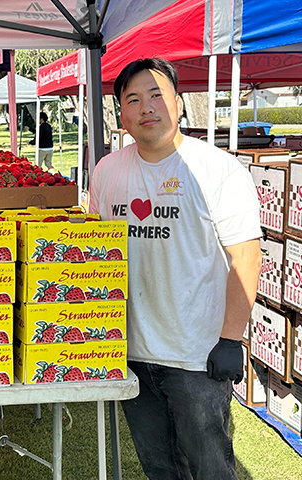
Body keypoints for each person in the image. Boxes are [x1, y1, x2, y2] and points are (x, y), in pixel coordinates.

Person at [88, 58, 262, 480]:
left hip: (196, 355)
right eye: (133, 99)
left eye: (157, 95)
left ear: (179, 104)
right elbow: (94, 255)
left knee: (210, 468)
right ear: (121, 114)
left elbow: (246, 255)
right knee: (159, 466)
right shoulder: (107, 172)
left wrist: (229, 340)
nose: (147, 107)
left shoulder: (216, 170)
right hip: (128, 350)